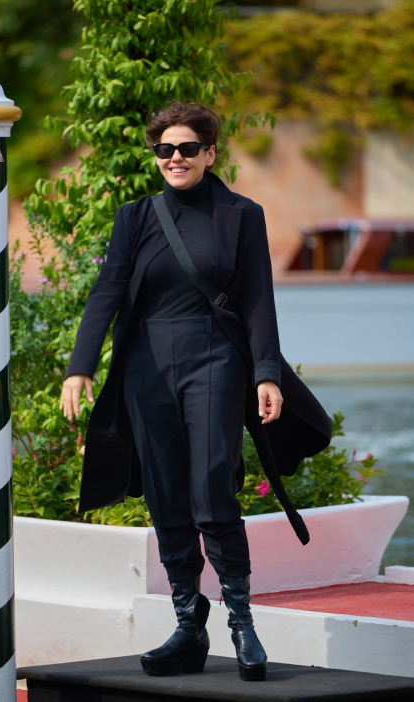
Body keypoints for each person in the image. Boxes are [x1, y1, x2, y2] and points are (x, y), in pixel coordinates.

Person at [60, 101, 326, 682]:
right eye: (164, 150)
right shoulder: (135, 218)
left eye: (186, 148)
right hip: (145, 370)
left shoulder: (240, 215)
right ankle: (187, 624)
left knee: (212, 490)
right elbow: (108, 290)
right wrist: (80, 366)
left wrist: (266, 373)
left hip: (215, 362)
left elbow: (258, 298)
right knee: (165, 497)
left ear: (210, 152)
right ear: (155, 156)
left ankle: (241, 623)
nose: (174, 159)